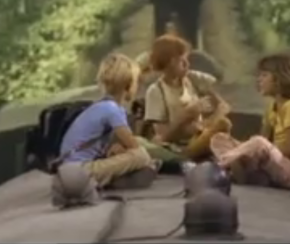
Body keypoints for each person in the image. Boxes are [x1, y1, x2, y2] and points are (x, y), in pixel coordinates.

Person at [210, 50, 290, 189]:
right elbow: (264, 138)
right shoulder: (272, 107)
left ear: (279, 79)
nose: (259, 80)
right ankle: (246, 173)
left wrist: (253, 149)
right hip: (271, 163)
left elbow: (287, 149)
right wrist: (245, 149)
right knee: (219, 139)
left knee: (257, 143)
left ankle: (219, 166)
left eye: (264, 75)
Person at [58, 53, 154, 188]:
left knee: (123, 151)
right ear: (128, 85)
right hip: (80, 171)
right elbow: (133, 146)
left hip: (68, 170)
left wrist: (116, 149)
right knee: (141, 156)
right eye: (136, 82)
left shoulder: (101, 106)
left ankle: (109, 179)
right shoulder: (113, 110)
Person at [143, 34, 232, 161]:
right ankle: (185, 159)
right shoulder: (156, 91)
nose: (187, 64)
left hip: (199, 137)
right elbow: (162, 137)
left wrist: (205, 124)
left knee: (224, 124)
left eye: (187, 60)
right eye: (182, 61)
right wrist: (187, 114)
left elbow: (224, 106)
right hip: (176, 148)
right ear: (170, 63)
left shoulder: (193, 79)